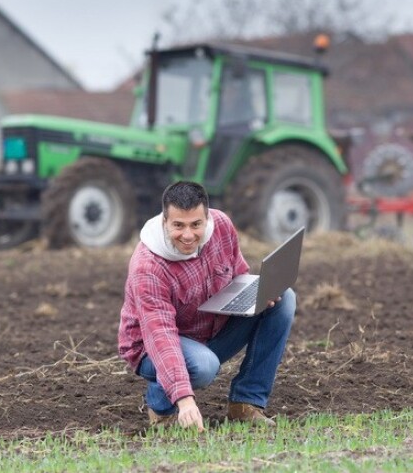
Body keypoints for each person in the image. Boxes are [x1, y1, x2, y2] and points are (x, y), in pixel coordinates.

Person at [118, 181, 297, 431]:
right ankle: (162, 409)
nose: (188, 235)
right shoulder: (148, 267)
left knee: (283, 299)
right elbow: (161, 336)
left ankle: (246, 404)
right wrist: (185, 400)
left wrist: (256, 294)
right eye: (178, 225)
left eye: (196, 224)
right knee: (203, 367)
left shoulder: (221, 225)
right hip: (155, 346)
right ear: (164, 221)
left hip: (209, 328)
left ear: (207, 218)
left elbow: (238, 272)